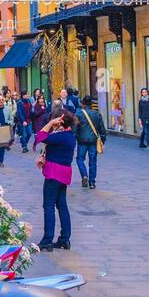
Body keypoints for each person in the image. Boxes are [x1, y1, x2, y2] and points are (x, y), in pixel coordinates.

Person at [35, 111, 78, 251]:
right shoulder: (70, 136)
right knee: (62, 205)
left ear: (60, 122)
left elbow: (40, 136)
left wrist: (49, 124)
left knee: (48, 206)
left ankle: (47, 240)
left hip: (54, 172)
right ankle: (65, 239)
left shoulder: (61, 136)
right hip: (64, 173)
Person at [74, 95, 108, 189]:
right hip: (93, 141)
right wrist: (103, 140)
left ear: (83, 103)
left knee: (80, 159)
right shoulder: (97, 114)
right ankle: (92, 182)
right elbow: (102, 129)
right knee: (93, 161)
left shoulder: (78, 114)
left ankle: (84, 175)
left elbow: (75, 128)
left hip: (81, 140)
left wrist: (74, 138)